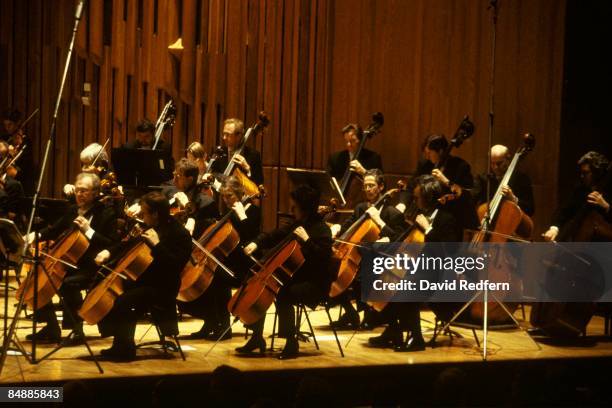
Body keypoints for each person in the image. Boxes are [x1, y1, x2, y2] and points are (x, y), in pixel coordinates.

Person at [236, 184, 333, 359]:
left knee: (283, 293)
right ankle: (256, 337)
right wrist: (256, 242)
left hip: (315, 283)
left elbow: (323, 259)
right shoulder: (297, 223)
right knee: (264, 285)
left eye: (295, 205)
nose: (292, 208)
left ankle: (291, 342)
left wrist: (307, 240)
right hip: (296, 277)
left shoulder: (321, 230)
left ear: (304, 208)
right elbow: (274, 235)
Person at [95, 191, 192, 361]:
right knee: (104, 289)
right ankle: (119, 342)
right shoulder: (147, 227)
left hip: (163, 287)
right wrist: (108, 252)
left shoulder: (180, 234)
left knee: (123, 300)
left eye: (144, 213)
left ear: (155, 214)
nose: (141, 216)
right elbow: (124, 245)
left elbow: (175, 266)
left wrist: (157, 245)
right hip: (142, 281)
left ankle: (125, 349)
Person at [368, 175, 462, 352]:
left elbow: (448, 253)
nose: (415, 200)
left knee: (405, 286)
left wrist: (428, 229)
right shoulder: (421, 215)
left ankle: (416, 338)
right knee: (387, 279)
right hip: (420, 270)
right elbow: (406, 244)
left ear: (428, 198)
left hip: (440, 274)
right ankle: (394, 331)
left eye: (418, 198)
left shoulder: (446, 219)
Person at [24, 173, 119, 345]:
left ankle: (77, 330)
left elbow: (112, 243)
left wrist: (89, 231)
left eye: (84, 191)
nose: (79, 194)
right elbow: (54, 229)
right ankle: (51, 327)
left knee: (67, 284)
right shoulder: (72, 210)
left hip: (92, 265)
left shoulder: (106, 213)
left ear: (96, 192)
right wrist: (34, 235)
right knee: (36, 277)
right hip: (69, 262)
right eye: (78, 190)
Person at [179, 176, 261, 340]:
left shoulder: (252, 210)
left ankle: (224, 327)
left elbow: (252, 234)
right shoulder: (227, 212)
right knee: (205, 277)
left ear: (239, 193)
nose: (226, 199)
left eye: (229, 195)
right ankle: (209, 322)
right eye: (224, 196)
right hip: (225, 260)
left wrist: (242, 216)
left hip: (242, 264)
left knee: (217, 279)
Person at [329, 168, 406, 329]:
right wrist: (337, 229)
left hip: (381, 260)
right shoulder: (361, 208)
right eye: (365, 186)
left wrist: (379, 222)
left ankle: (371, 315)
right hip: (358, 254)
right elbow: (348, 226)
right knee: (331, 269)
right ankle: (350, 312)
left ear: (381, 187)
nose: (368, 189)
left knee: (362, 274)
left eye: (371, 185)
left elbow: (397, 240)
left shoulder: (392, 213)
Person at [398, 133, 479, 234]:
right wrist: (402, 204)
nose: (427, 157)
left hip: (449, 218)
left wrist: (445, 181)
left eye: (429, 153)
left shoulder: (460, 166)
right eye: (425, 153)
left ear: (440, 151)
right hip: (425, 214)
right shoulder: (425, 164)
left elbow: (467, 196)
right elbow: (411, 186)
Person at [542, 151, 611, 242]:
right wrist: (554, 229)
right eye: (581, 172)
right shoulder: (581, 189)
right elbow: (563, 211)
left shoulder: (609, 191)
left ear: (597, 172)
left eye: (585, 173)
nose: (581, 176)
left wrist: (606, 206)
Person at [161, 158, 218, 237]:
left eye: (178, 177)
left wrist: (187, 204)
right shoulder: (170, 188)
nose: (174, 181)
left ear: (190, 179)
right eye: (174, 175)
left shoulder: (206, 203)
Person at [473, 144, 535, 217]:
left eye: (499, 163)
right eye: (492, 163)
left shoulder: (521, 179)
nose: (495, 167)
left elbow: (530, 209)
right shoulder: (483, 179)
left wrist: (513, 199)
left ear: (508, 159)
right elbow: (471, 200)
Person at [209, 118, 264, 186]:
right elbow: (212, 173)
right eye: (223, 134)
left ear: (239, 136)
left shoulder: (253, 155)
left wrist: (248, 169)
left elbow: (259, 183)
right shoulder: (218, 151)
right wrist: (224, 178)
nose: (224, 137)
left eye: (228, 134)